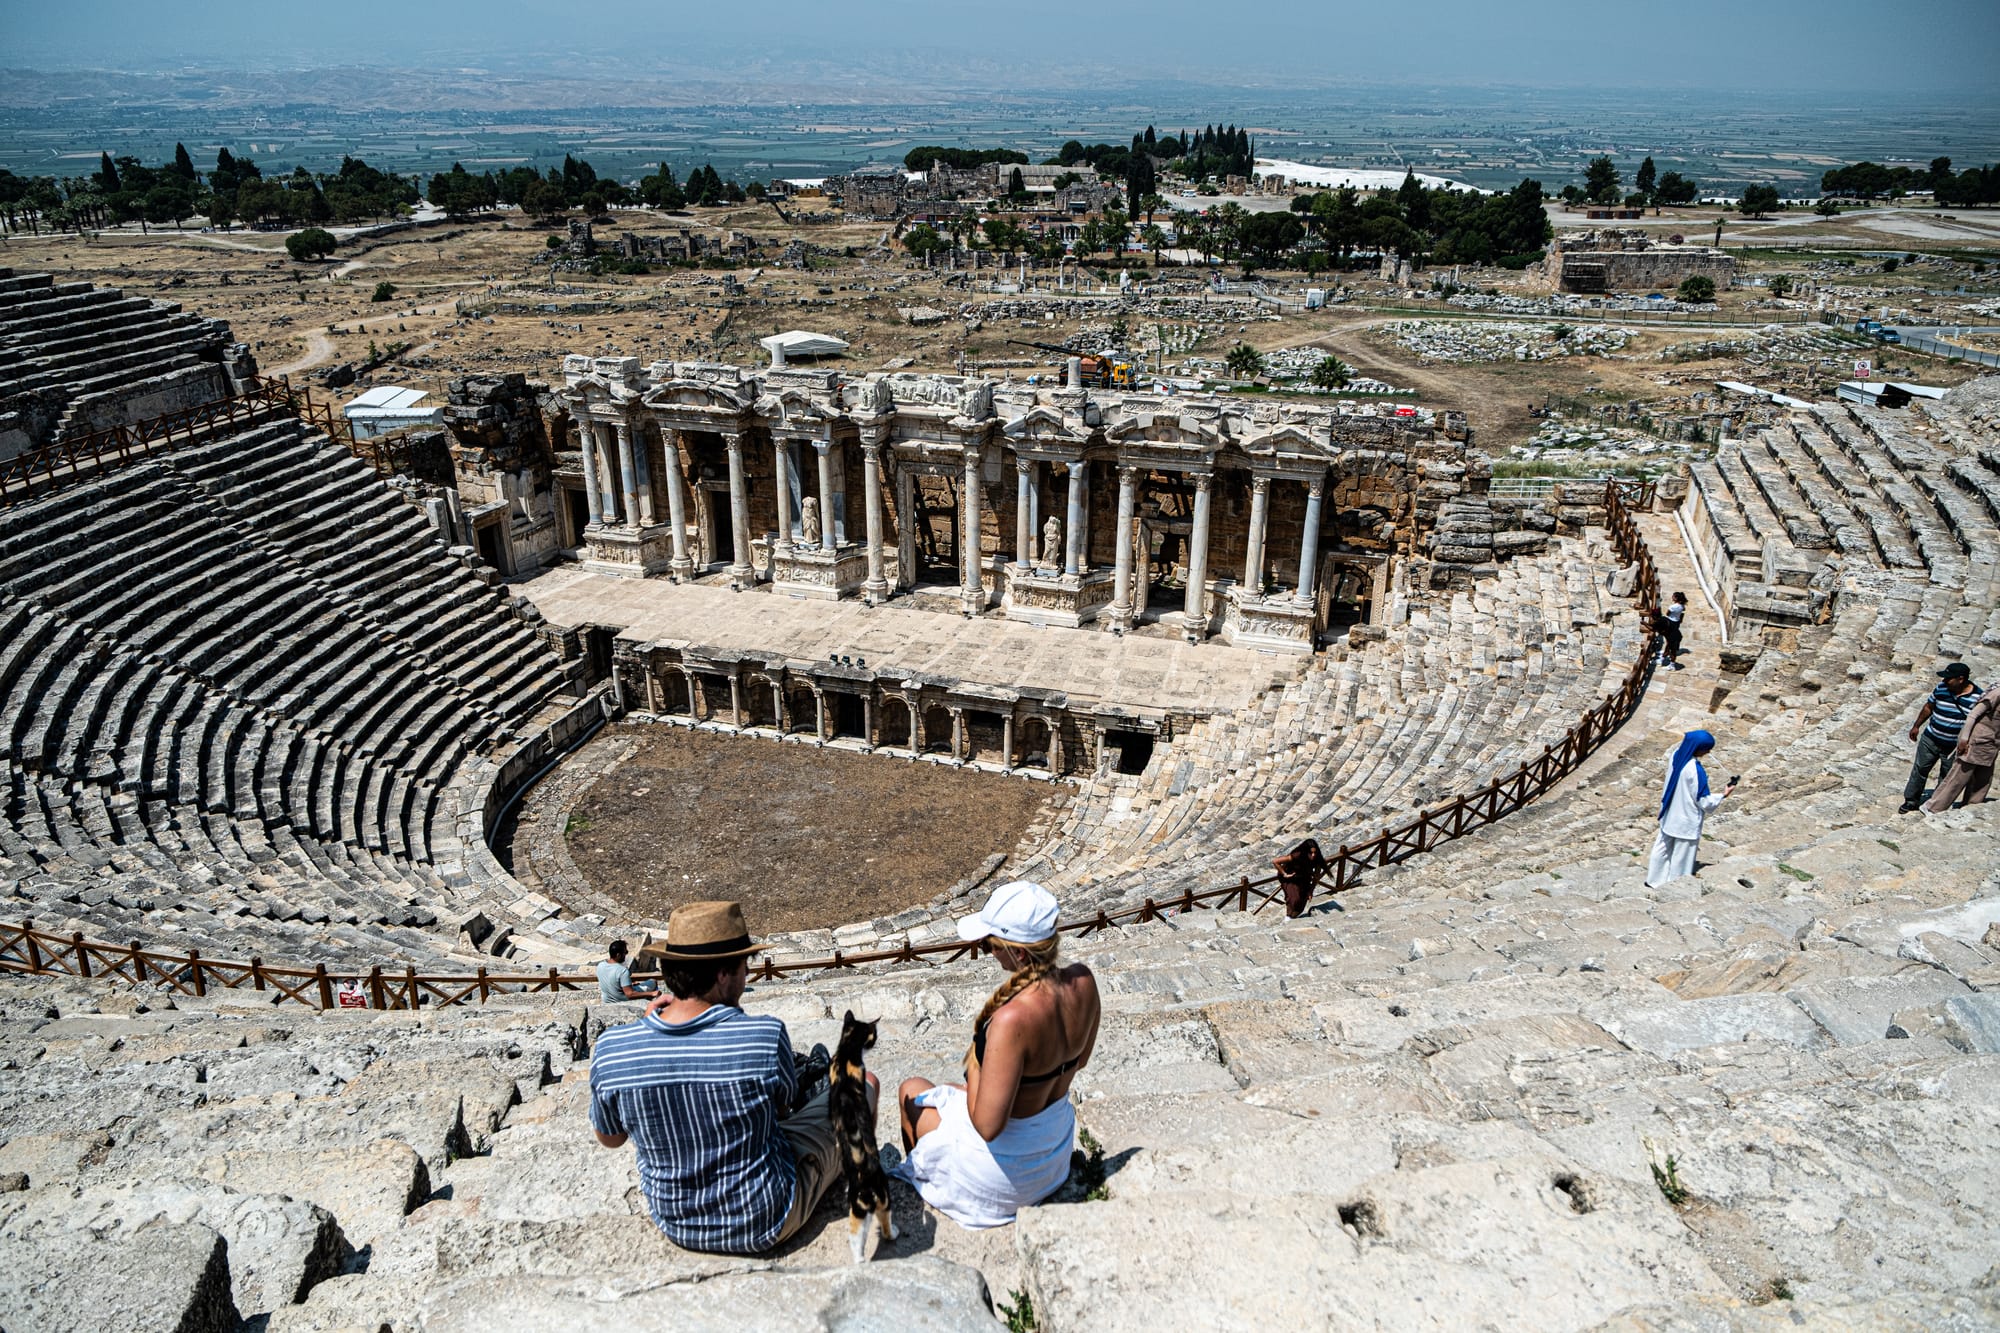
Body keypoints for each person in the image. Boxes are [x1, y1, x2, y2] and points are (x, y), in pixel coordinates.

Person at [588, 901, 870, 1255]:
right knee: (862, 1086)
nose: (747, 975)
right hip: (767, 1218)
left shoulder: (613, 1049)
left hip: (676, 1223)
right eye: (743, 966)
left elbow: (611, 1138)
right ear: (724, 974)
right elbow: (781, 1110)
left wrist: (647, 1031)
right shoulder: (763, 1035)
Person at [895, 881, 1099, 1229]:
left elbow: (988, 1127)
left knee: (911, 1090)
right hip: (1053, 1152)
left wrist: (977, 1056)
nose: (989, 951)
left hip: (1009, 1178)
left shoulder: (1011, 1020)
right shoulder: (1084, 981)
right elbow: (1080, 1061)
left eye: (991, 944)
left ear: (1019, 953)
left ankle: (924, 1190)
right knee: (943, 1091)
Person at [1645, 730, 1736, 888]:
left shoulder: (1676, 755)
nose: (1708, 752)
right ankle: (1675, 885)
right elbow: (1704, 801)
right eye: (1706, 749)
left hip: (1669, 813)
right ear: (1697, 748)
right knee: (1682, 856)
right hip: (1686, 820)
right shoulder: (1695, 770)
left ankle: (1654, 880)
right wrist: (1723, 795)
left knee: (1662, 848)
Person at [1902, 662, 1981, 813]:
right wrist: (1917, 725)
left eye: (1948, 678)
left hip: (1953, 746)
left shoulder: (1977, 697)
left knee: (1947, 776)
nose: (1944, 681)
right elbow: (1928, 707)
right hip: (1931, 737)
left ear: (1961, 679)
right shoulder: (1941, 688)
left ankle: (1937, 805)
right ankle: (1911, 800)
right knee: (1920, 769)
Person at [1924, 679, 2000, 812]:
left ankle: (1972, 806)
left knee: (1983, 778)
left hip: (1992, 744)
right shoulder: (1997, 693)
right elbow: (1973, 715)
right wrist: (1964, 739)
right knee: (1958, 777)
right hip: (1978, 740)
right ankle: (1934, 807)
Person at [596, 939, 658, 1004]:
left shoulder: (600, 965)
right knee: (653, 982)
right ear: (618, 955)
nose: (626, 954)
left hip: (606, 1000)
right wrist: (652, 993)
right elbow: (630, 994)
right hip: (621, 1000)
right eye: (625, 952)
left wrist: (627, 985)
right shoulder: (622, 971)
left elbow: (610, 981)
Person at [1656, 591, 1687, 670]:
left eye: (1673, 596)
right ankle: (1664, 654)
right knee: (1670, 640)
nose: (1672, 597)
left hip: (1670, 622)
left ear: (1676, 598)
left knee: (1669, 638)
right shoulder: (1682, 606)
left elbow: (1667, 614)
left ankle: (1666, 659)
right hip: (1676, 622)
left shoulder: (1673, 607)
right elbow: (1682, 614)